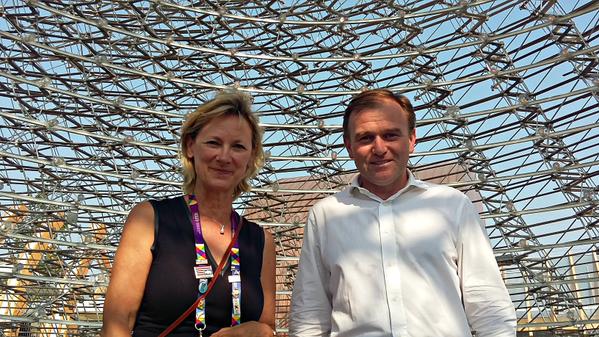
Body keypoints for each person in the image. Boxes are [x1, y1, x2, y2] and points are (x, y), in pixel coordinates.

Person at [289, 89, 516, 337]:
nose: (379, 148)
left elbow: (488, 306)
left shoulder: (453, 205)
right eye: (365, 138)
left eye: (390, 135)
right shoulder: (325, 216)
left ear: (412, 139)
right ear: (349, 146)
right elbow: (309, 317)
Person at [102, 91, 276, 337]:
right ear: (190, 147)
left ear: (250, 158)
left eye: (238, 146)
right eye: (214, 143)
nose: (224, 157)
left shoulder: (261, 241)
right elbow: (117, 321)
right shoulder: (150, 218)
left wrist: (257, 330)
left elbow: (268, 326)